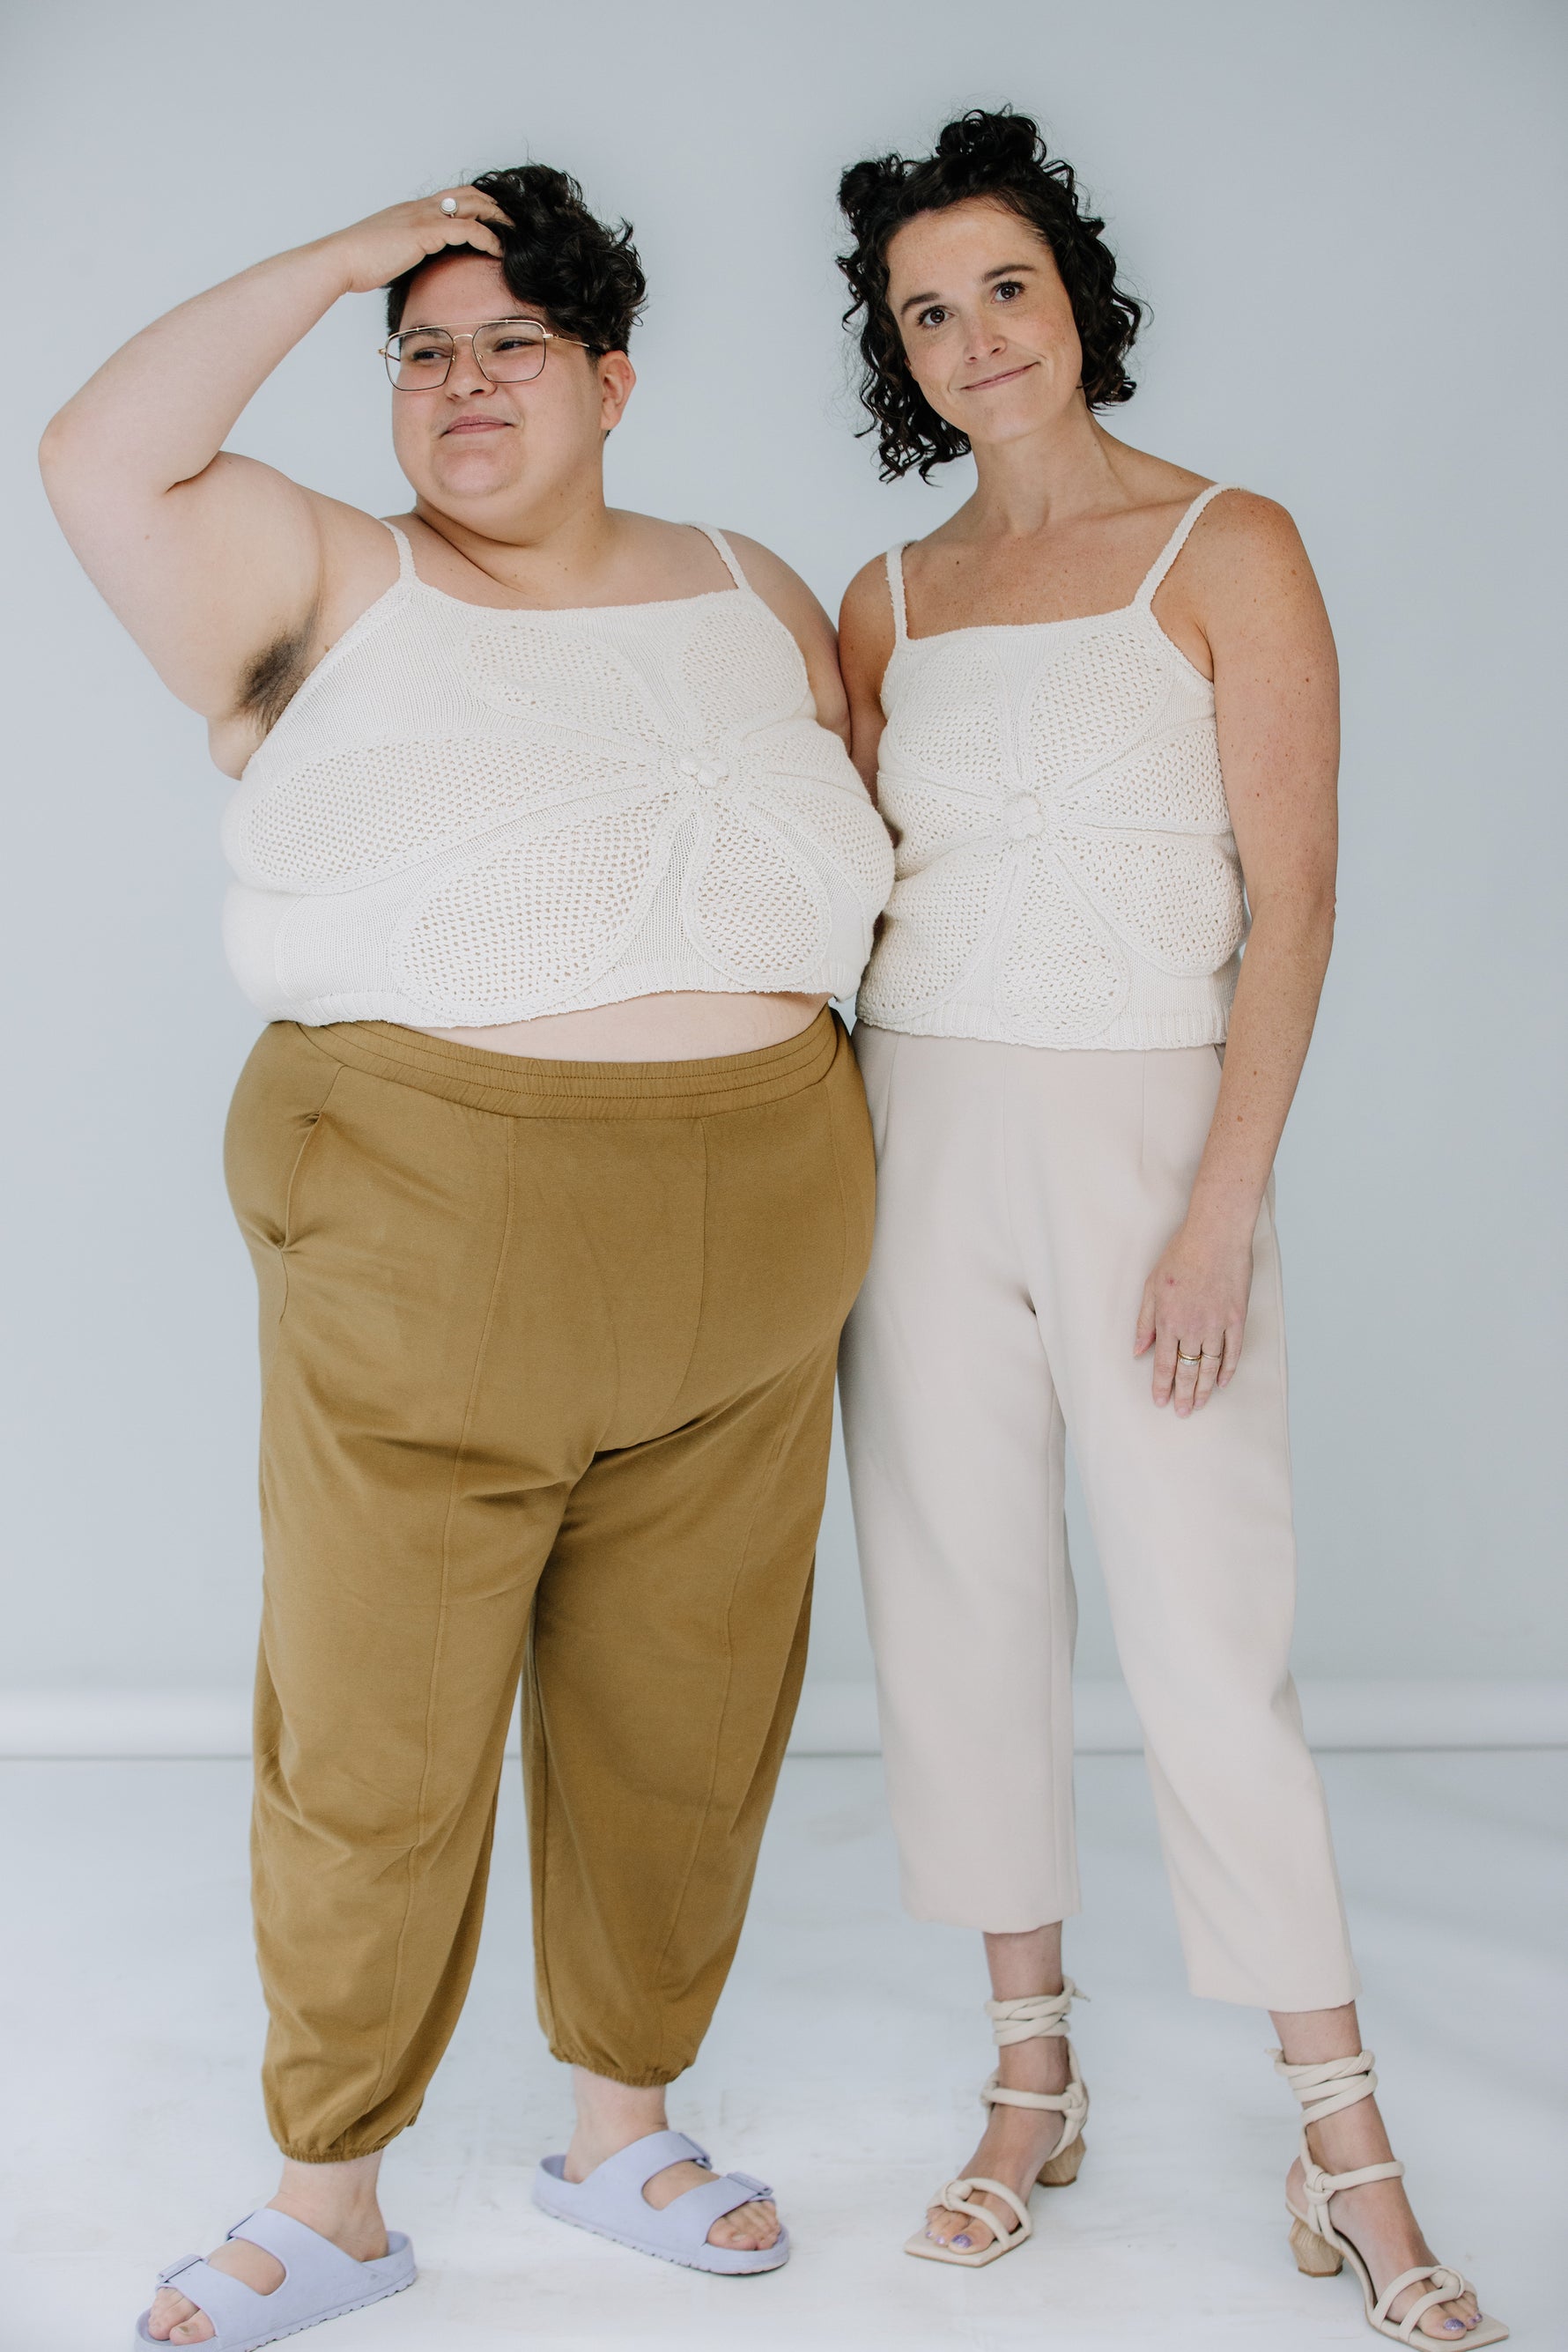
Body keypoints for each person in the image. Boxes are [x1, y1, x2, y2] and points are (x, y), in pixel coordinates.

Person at [41, 162, 891, 2346]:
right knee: (374, 1724)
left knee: (684, 1711)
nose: (459, 384)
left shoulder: (752, 586)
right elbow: (98, 452)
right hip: (435, 1232)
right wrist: (343, 249)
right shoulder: (326, 571)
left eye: (512, 342)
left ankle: (625, 2125)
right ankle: (330, 2187)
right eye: (418, 352)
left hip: (756, 1244)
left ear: (614, 379)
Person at [832, 107, 1504, 2345]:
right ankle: (1029, 2083)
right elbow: (840, 906)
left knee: (1210, 1648)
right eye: (925, 309)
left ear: (1074, 297)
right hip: (911, 1135)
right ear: (896, 351)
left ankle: (1347, 2146)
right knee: (957, 1615)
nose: (970, 336)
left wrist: (1218, 1213)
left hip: (1148, 1147)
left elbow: (1292, 907)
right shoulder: (885, 599)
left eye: (1000, 286)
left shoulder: (1227, 546)